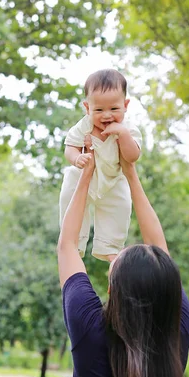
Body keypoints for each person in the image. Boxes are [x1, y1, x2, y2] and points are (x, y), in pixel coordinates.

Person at [58, 151, 189, 377]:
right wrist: (129, 171)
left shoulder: (90, 329)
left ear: (112, 289)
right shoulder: (176, 329)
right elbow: (159, 248)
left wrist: (86, 174)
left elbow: (67, 245)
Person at [59, 69, 142, 261]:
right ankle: (74, 242)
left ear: (125, 105)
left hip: (112, 180)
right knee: (69, 195)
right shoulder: (84, 125)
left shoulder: (128, 129)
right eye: (99, 110)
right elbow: (70, 147)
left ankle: (109, 248)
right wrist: (76, 159)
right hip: (82, 178)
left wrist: (123, 135)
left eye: (114, 109)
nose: (106, 116)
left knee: (120, 207)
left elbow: (132, 157)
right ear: (87, 108)